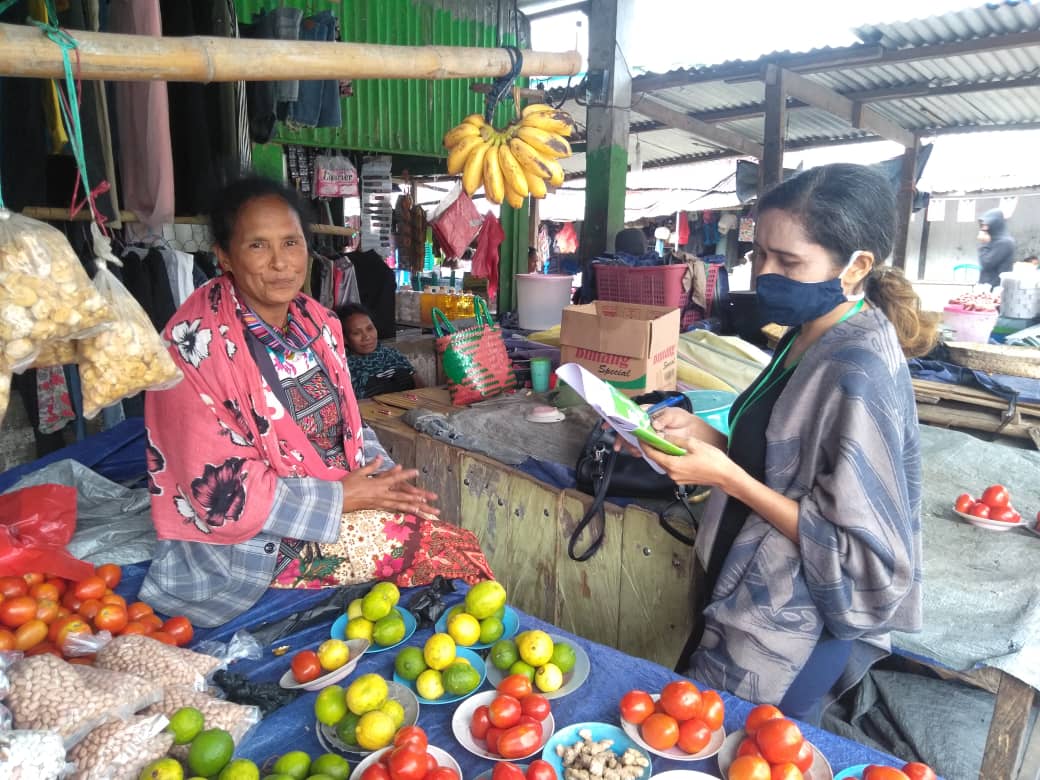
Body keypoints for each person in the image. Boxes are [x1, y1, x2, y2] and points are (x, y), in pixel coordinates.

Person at [639, 163, 932, 725]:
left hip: (792, 629)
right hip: (743, 589)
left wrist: (725, 476)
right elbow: (783, 459)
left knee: (743, 748)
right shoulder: (807, 333)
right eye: (760, 255)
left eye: (788, 262)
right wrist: (702, 437)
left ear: (857, 266)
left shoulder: (859, 368)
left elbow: (854, 549)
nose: (765, 274)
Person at [140, 177, 492, 627]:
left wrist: (385, 481)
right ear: (224, 256)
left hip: (336, 495)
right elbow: (221, 499)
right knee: (451, 553)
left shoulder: (318, 323)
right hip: (253, 541)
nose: (280, 262)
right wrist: (343, 497)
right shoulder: (191, 348)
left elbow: (349, 427)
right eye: (257, 245)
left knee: (443, 533)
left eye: (291, 242)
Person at [339, 302, 421, 399]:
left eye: (370, 328)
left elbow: (421, 389)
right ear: (344, 338)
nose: (367, 337)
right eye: (356, 333)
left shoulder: (392, 355)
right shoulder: (343, 367)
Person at [977, 209, 1016, 287]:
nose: (984, 228)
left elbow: (986, 263)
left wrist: (984, 243)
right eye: (983, 225)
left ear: (995, 224)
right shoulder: (993, 240)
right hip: (987, 285)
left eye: (986, 225)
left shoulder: (1005, 242)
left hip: (997, 287)